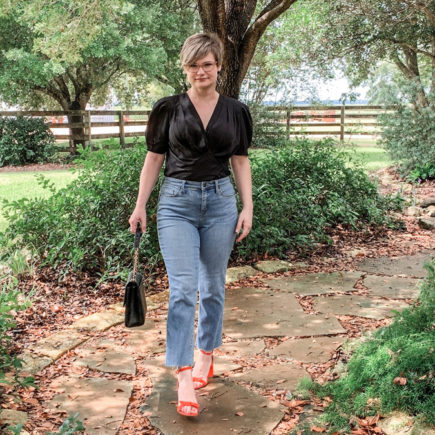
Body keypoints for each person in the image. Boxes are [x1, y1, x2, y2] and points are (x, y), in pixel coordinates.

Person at [128, 32, 253, 417]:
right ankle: (183, 373)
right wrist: (140, 206)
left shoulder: (235, 110)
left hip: (220, 204)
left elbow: (240, 161)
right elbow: (153, 159)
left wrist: (247, 206)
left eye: (208, 64)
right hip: (176, 205)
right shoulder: (167, 108)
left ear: (219, 66)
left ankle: (205, 355)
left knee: (213, 286)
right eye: (194, 65)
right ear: (185, 69)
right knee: (182, 289)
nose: (202, 71)